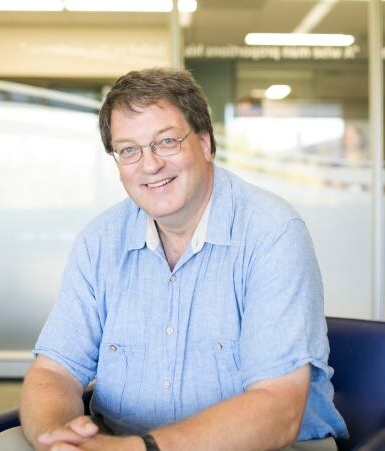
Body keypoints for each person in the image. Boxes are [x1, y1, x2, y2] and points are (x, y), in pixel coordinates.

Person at [18, 68, 348, 451]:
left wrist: (143, 449)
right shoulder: (99, 241)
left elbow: (278, 410)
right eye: (129, 150)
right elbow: (52, 372)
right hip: (119, 443)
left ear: (205, 142)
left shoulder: (272, 233)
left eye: (166, 141)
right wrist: (61, 439)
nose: (150, 164)